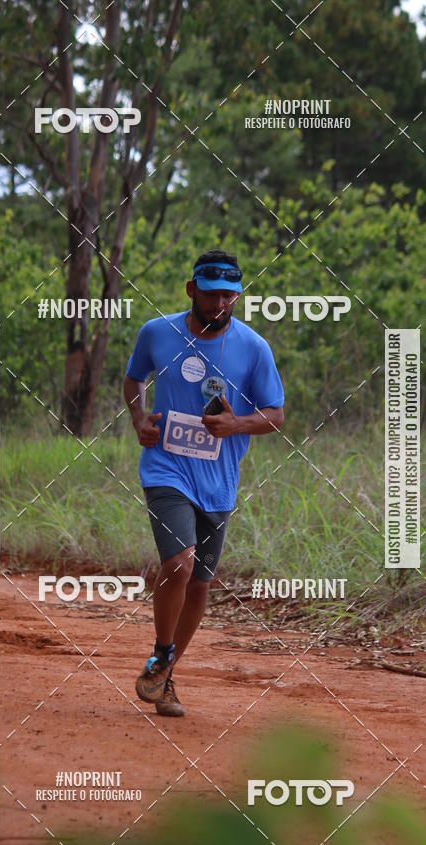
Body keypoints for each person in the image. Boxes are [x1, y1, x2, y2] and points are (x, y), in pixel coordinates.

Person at [123, 249, 285, 716]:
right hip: (166, 469)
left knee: (199, 586)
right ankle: (162, 653)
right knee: (179, 563)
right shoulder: (157, 333)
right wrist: (138, 419)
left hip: (219, 481)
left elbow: (275, 416)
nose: (219, 305)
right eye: (211, 295)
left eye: (229, 297)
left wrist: (236, 425)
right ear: (191, 289)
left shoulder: (254, 348)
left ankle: (164, 671)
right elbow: (134, 379)